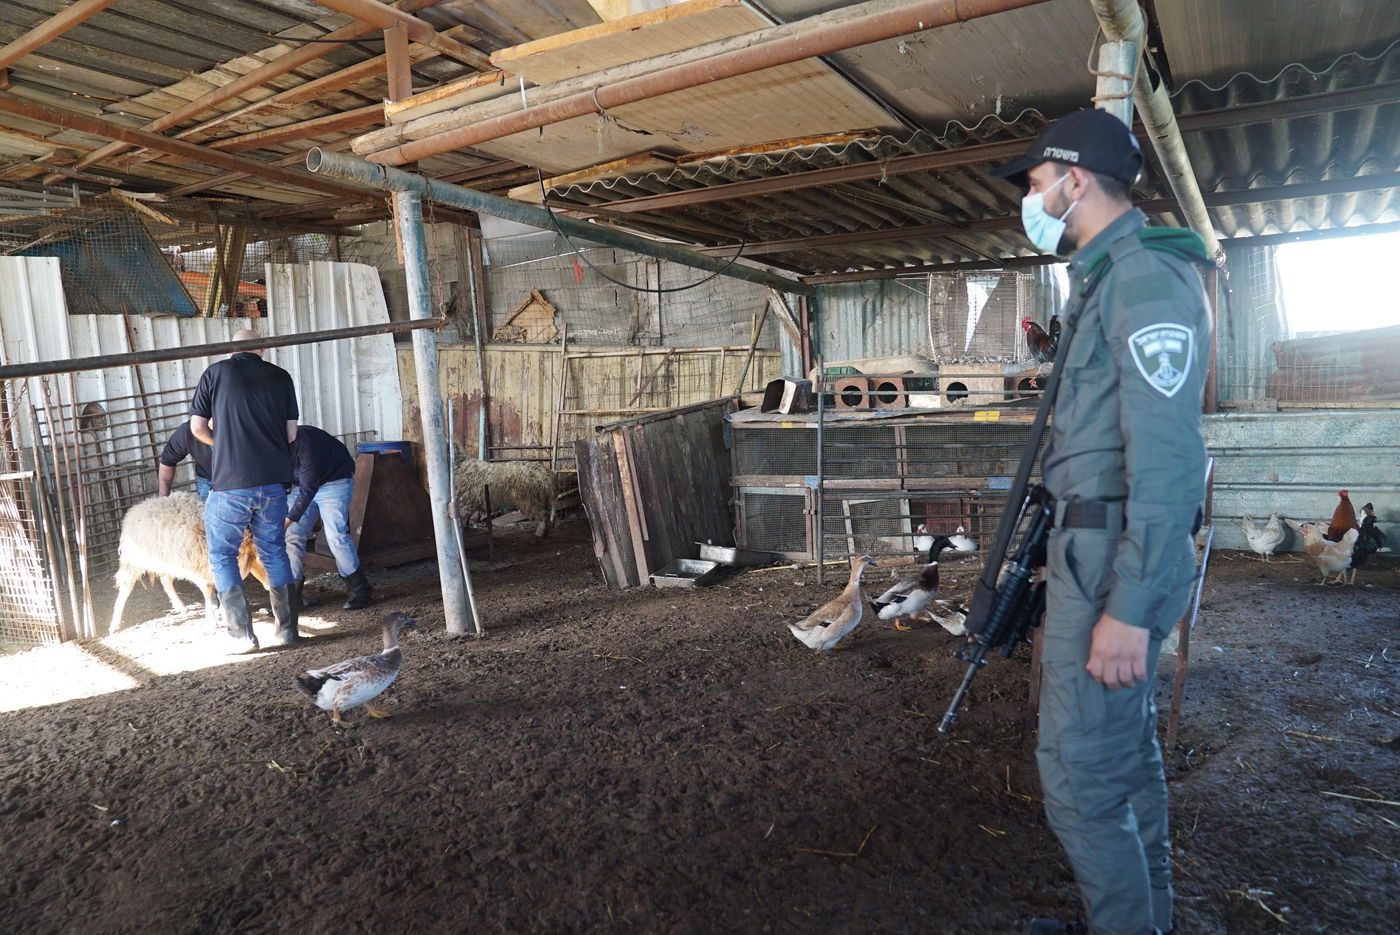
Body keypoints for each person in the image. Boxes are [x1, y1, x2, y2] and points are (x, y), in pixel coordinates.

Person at [990, 108, 1210, 935]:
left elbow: (1168, 457)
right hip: (1089, 548)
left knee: (1082, 777)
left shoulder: (1145, 279)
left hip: (1112, 561)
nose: (1035, 197)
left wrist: (1133, 604)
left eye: (1039, 182)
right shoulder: (1106, 278)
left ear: (1075, 180)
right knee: (1124, 762)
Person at [190, 328, 301, 652]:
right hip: (273, 486)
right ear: (262, 350)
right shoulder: (281, 377)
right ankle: (288, 632)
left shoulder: (215, 373)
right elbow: (291, 434)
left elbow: (198, 428)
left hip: (230, 485)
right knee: (275, 552)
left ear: (232, 350)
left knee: (223, 555)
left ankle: (241, 636)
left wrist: (224, 446)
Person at [284, 424, 373, 612]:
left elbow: (309, 489)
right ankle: (292, 596)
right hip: (300, 484)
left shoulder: (305, 442)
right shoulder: (269, 445)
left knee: (336, 534)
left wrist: (287, 520)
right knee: (292, 535)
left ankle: (360, 590)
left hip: (334, 480)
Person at [157, 420, 213, 500]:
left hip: (235, 479)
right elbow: (167, 460)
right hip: (207, 478)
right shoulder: (188, 431)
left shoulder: (234, 426)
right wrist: (163, 496)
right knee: (207, 509)